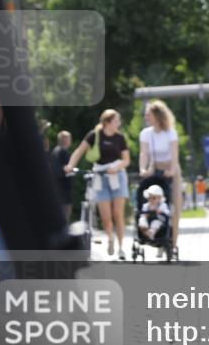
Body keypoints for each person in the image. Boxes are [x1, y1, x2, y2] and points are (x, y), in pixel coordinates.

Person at [64, 109, 132, 259]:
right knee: (106, 217)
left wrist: (116, 168)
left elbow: (126, 160)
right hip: (100, 176)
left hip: (117, 177)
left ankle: (121, 247)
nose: (118, 124)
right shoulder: (94, 135)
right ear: (107, 122)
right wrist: (70, 165)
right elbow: (79, 151)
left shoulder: (120, 138)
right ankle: (110, 238)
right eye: (116, 121)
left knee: (117, 214)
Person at [139, 100, 182, 251]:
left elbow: (174, 153)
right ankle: (158, 239)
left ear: (157, 116)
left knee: (174, 206)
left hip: (170, 167)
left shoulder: (170, 132)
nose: (146, 117)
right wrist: (142, 169)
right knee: (152, 203)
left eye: (148, 114)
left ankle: (173, 242)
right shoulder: (146, 134)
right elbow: (144, 153)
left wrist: (171, 170)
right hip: (154, 168)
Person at [49, 131, 73, 219]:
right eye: (69, 139)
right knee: (65, 214)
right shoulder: (63, 152)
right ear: (66, 140)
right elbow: (65, 170)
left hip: (56, 188)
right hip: (64, 189)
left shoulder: (55, 151)